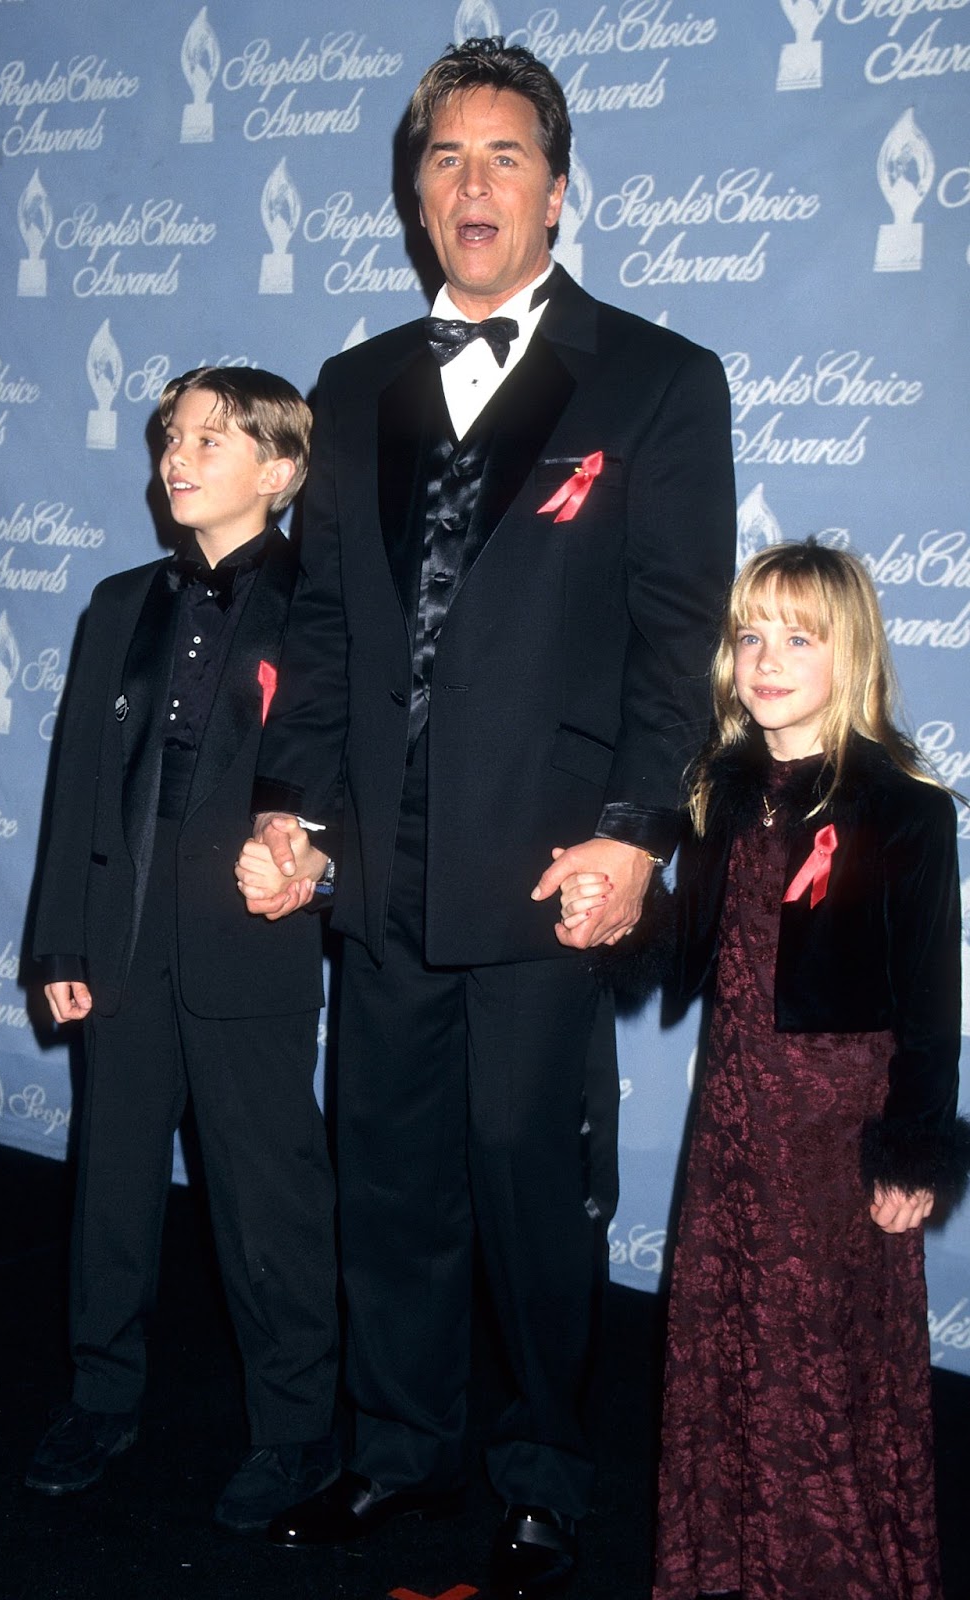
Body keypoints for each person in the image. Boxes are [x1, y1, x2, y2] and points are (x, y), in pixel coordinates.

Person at [235, 37, 735, 1597]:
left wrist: (637, 831)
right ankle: (402, 1455)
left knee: (529, 1182)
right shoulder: (350, 385)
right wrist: (292, 813)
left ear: (559, 188)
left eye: (505, 155)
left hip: (543, 868)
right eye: (447, 156)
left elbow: (676, 639)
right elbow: (319, 633)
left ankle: (540, 1475)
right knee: (386, 1178)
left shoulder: (659, 378)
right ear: (414, 188)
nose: (474, 183)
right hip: (375, 865)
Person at [599, 540, 964, 1600]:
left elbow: (930, 1005)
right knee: (728, 1345)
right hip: (731, 1116)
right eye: (749, 635)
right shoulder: (720, 795)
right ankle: (730, 1567)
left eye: (795, 637)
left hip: (832, 1126)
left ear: (845, 651)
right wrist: (616, 913)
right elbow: (682, 955)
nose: (764, 658)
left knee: (820, 1362)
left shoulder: (904, 809)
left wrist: (911, 1147)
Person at [26, 366, 339, 1534]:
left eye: (213, 436)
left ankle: (296, 1430)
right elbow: (74, 789)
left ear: (282, 468)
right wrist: (62, 935)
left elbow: (358, 780)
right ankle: (100, 1399)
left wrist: (313, 857)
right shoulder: (117, 603)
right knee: (109, 1188)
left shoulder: (326, 603)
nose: (178, 452)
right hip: (118, 936)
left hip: (248, 942)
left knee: (269, 1203)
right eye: (171, 433)